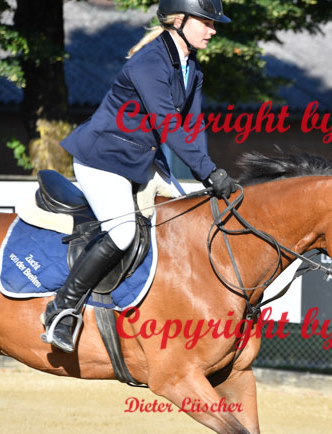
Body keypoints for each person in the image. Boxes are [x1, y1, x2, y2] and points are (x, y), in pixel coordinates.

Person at [41, 0, 236, 352]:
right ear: (179, 21)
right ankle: (62, 308)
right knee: (123, 232)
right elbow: (169, 125)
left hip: (142, 160)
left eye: (213, 24)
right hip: (103, 160)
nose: (213, 30)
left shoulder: (191, 68)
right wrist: (208, 172)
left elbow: (193, 127)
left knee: (186, 219)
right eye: (206, 22)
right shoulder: (149, 62)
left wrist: (210, 174)